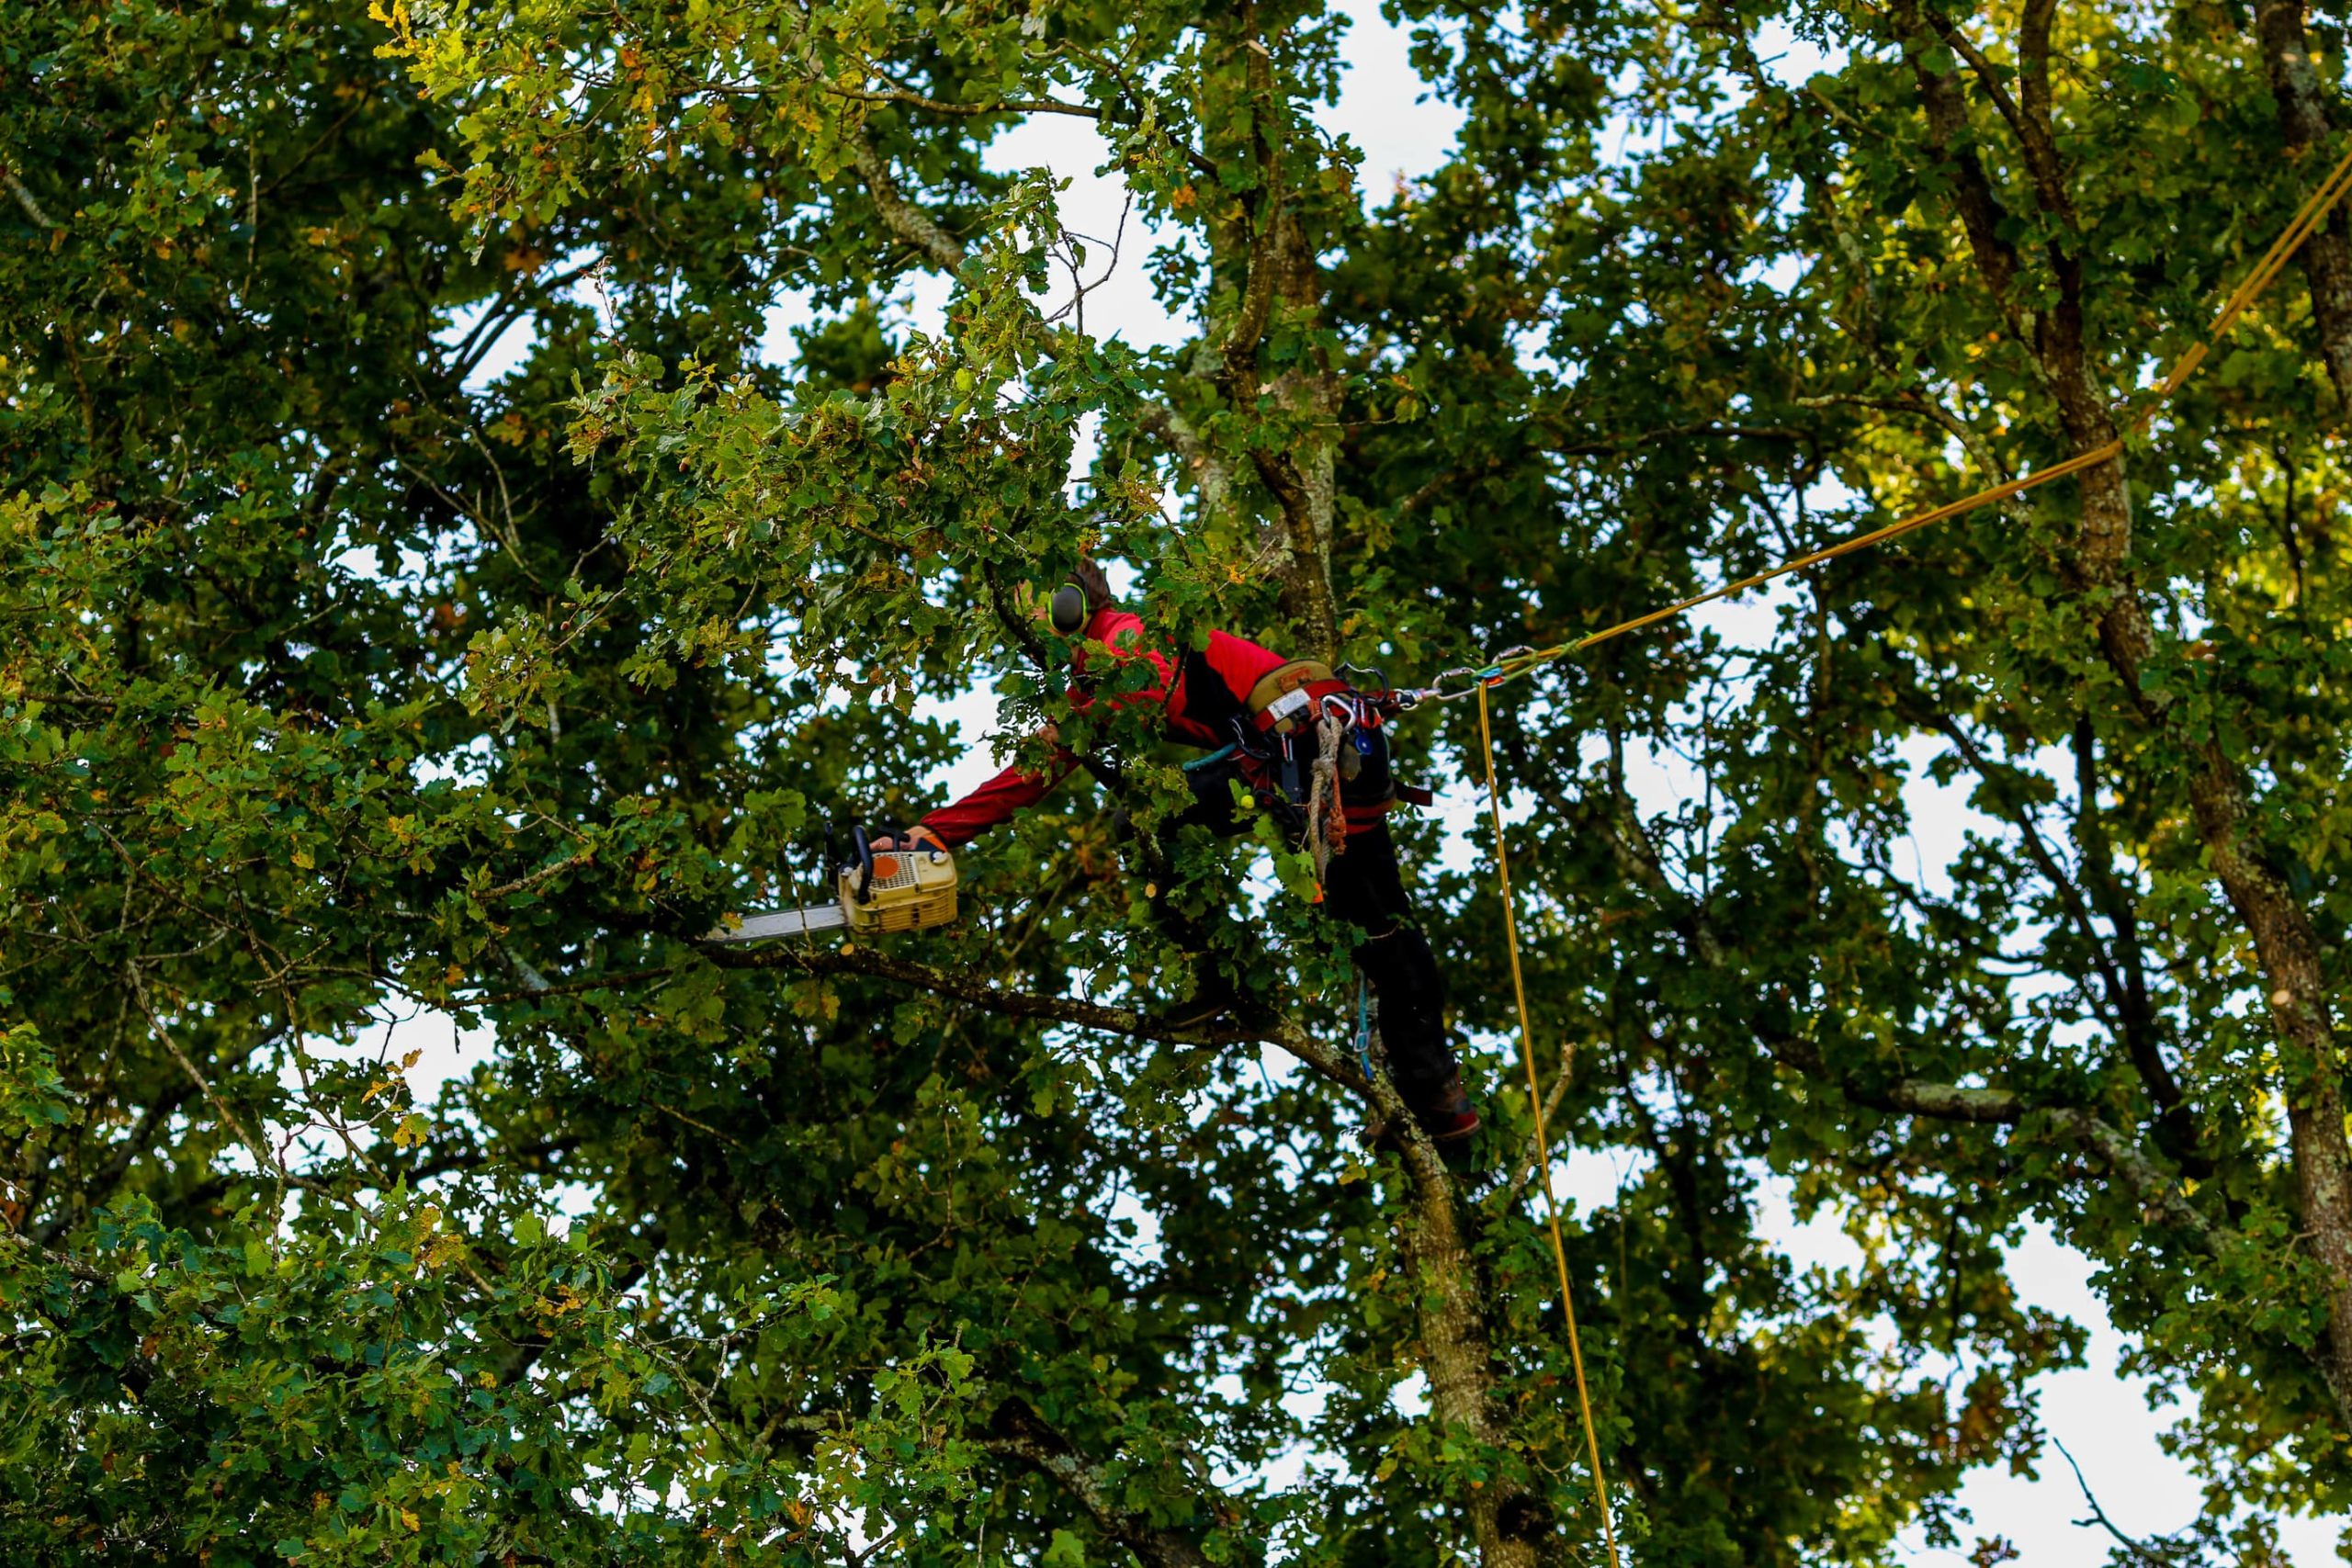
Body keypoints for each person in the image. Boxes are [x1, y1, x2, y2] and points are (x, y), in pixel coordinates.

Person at [876, 562, 1481, 1149]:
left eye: (1034, 607)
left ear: (1068, 604)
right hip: (1337, 756)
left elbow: (1040, 765)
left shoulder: (1123, 644)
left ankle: (1218, 973)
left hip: (1296, 758)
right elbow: (1042, 760)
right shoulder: (1119, 656)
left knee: (1144, 813)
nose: (1030, 624)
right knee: (1382, 929)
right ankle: (1439, 1098)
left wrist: (927, 837)